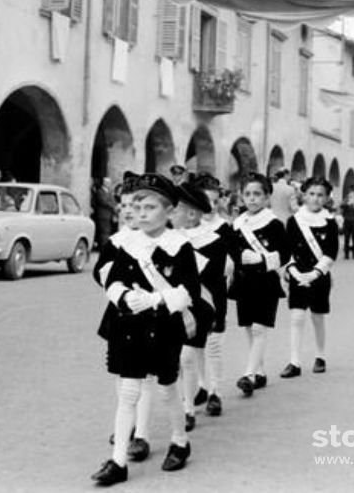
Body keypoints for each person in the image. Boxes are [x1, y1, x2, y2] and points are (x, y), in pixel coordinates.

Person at [92, 174, 200, 487]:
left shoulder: (179, 247)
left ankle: (180, 441)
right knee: (128, 392)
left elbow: (188, 291)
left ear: (168, 212)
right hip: (130, 325)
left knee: (167, 388)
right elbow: (112, 280)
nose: (141, 213)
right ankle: (118, 461)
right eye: (138, 207)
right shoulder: (129, 244)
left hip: (164, 326)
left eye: (150, 207)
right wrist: (124, 297)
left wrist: (153, 299)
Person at [93, 172, 155, 465]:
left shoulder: (157, 240)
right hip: (119, 316)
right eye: (126, 205)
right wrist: (117, 289)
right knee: (122, 374)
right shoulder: (116, 242)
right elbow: (100, 273)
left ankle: (141, 434)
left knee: (145, 377)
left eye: (137, 204)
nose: (130, 210)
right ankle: (125, 424)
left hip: (151, 317)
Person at [228, 172, 289, 397]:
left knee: (259, 328)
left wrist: (262, 259)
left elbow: (284, 253)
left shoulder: (274, 224)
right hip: (244, 282)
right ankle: (260, 371)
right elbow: (231, 249)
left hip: (265, 281)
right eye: (247, 194)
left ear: (266, 197)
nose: (252, 199)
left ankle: (249, 375)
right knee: (248, 328)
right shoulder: (238, 224)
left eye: (257, 194)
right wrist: (238, 256)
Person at [172, 182, 227, 431]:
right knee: (186, 357)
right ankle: (189, 404)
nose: (173, 213)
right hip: (182, 304)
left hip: (207, 303)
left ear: (192, 214)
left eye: (178, 209)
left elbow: (212, 275)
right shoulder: (173, 238)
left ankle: (213, 391)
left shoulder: (213, 239)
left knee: (210, 348)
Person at [281, 176, 339, 378]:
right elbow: (286, 251)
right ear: (304, 195)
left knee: (317, 316)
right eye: (311, 194)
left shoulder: (330, 222)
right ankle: (294, 361)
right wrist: (295, 273)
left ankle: (320, 355)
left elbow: (331, 253)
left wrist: (314, 274)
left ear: (326, 198)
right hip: (298, 274)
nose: (315, 199)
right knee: (296, 317)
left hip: (319, 275)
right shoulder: (294, 221)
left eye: (320, 195)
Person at [92, 177, 117, 250]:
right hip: (103, 215)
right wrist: (113, 206)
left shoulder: (109, 192)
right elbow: (103, 201)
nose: (110, 184)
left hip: (109, 215)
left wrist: (115, 205)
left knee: (108, 231)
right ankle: (103, 248)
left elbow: (113, 200)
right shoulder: (100, 191)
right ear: (105, 183)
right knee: (104, 232)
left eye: (110, 183)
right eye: (108, 183)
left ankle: (106, 247)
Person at [340, 185, 354, 259]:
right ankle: (346, 254)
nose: (353, 193)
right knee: (346, 237)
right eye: (352, 191)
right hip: (347, 220)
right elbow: (341, 205)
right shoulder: (347, 198)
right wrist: (347, 203)